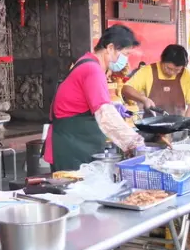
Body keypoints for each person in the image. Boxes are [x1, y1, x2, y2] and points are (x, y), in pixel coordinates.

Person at [43, 24, 145, 171]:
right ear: (110, 48)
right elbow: (105, 115)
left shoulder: (87, 62)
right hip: (72, 147)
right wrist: (133, 142)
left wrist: (111, 106)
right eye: (126, 54)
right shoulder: (92, 69)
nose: (126, 60)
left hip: (74, 141)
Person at [121, 44, 190, 116]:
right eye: (169, 68)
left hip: (178, 124)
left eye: (177, 70)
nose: (172, 73)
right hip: (151, 124)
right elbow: (126, 89)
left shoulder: (187, 76)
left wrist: (186, 124)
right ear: (162, 61)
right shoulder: (148, 71)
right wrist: (144, 99)